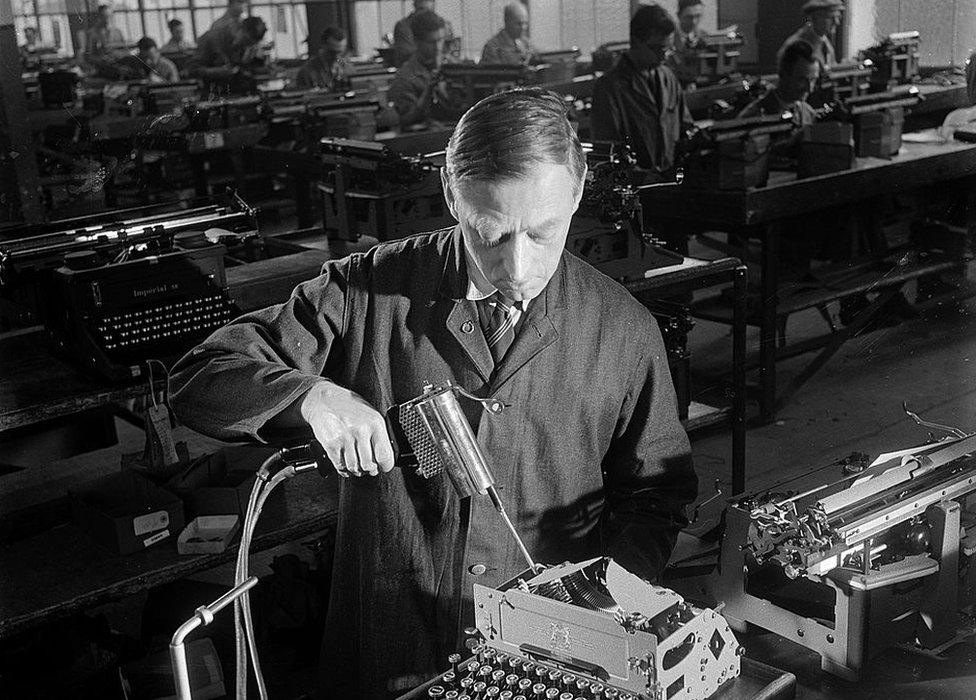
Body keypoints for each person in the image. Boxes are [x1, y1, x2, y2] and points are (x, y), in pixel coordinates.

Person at [168, 86, 696, 699]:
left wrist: (604, 602)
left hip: (554, 656)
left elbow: (657, 495)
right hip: (393, 638)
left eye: (542, 233)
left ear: (577, 192)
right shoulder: (366, 291)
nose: (518, 267)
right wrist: (310, 397)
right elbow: (200, 375)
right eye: (490, 234)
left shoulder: (624, 329)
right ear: (451, 195)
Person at [591, 4, 693, 179]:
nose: (664, 55)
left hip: (669, 186)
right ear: (636, 42)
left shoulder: (668, 78)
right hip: (634, 191)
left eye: (667, 49)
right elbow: (606, 151)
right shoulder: (610, 87)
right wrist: (640, 177)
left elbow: (685, 127)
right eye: (657, 48)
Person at [388, 10, 463, 127]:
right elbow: (403, 121)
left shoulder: (455, 66)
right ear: (416, 42)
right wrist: (427, 92)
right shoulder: (405, 79)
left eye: (440, 40)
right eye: (431, 42)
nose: (438, 47)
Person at [739, 40, 818, 127]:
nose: (809, 89)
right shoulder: (752, 119)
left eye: (813, 80)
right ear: (783, 75)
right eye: (802, 80)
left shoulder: (808, 114)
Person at [193, 15, 268, 85]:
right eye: (246, 41)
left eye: (251, 44)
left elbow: (243, 68)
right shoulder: (210, 39)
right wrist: (218, 71)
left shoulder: (248, 46)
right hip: (214, 92)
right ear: (240, 29)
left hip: (238, 91)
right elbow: (194, 70)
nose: (246, 46)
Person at [778, 0, 843, 70]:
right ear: (814, 18)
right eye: (831, 17)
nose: (837, 22)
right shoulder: (797, 46)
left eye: (838, 17)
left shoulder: (825, 43)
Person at [392, 0, 453, 68]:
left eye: (429, 12)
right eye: (421, 9)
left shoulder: (442, 26)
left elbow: (450, 52)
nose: (425, 16)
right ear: (414, 5)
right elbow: (406, 55)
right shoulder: (403, 26)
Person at [295, 26, 349, 91]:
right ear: (323, 46)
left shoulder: (346, 67)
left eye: (341, 53)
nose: (337, 57)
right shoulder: (307, 72)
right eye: (332, 52)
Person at [668, 0, 706, 87]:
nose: (694, 21)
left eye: (698, 16)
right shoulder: (669, 39)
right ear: (678, 15)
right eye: (689, 17)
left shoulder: (705, 37)